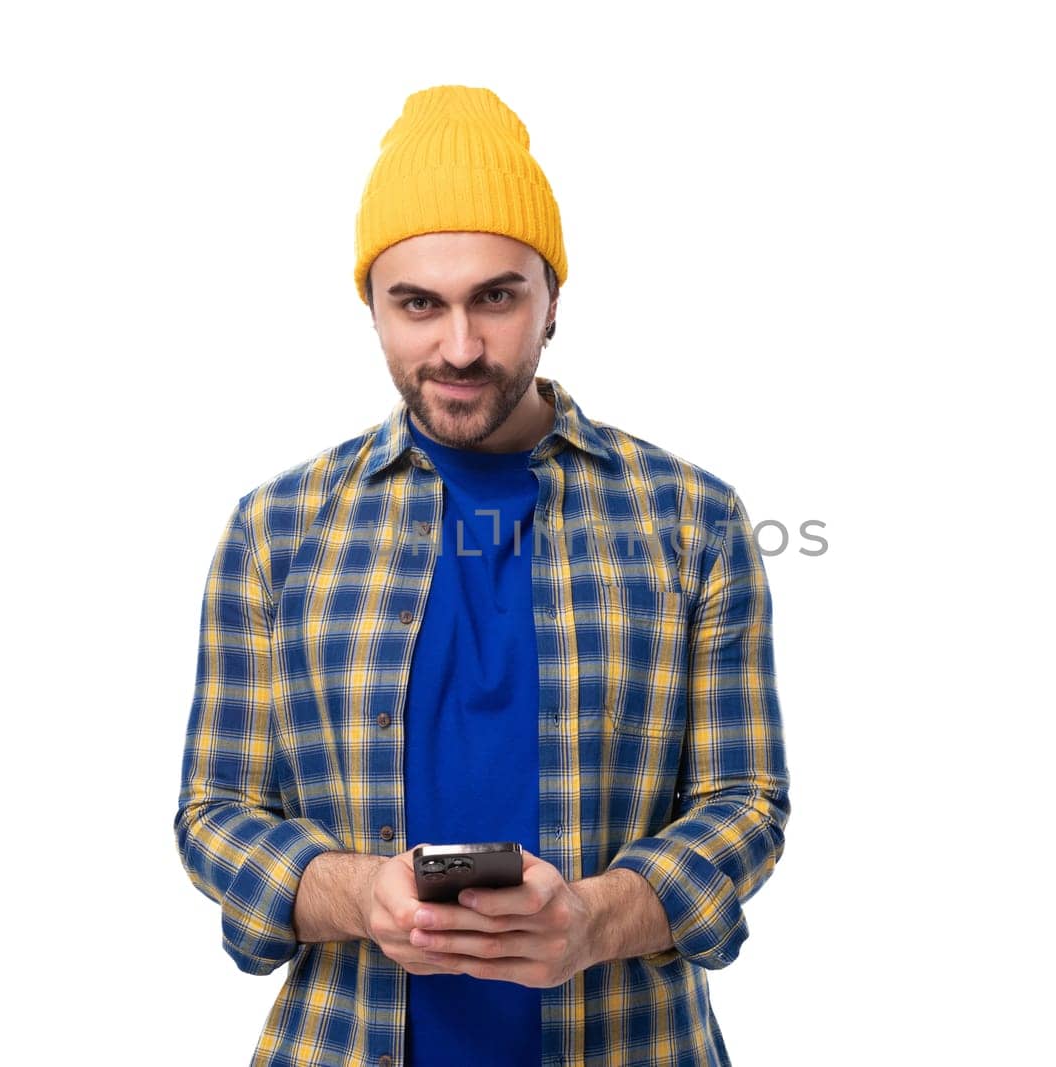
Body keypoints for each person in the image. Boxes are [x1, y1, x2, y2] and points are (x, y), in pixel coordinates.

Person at [173, 84, 791, 1067]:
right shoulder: (274, 528)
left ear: (552, 298)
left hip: (632, 1041)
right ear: (371, 304)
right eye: (418, 302)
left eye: (496, 296)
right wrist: (355, 889)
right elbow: (214, 811)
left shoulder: (693, 518)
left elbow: (745, 799)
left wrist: (592, 918)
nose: (458, 346)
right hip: (344, 1037)